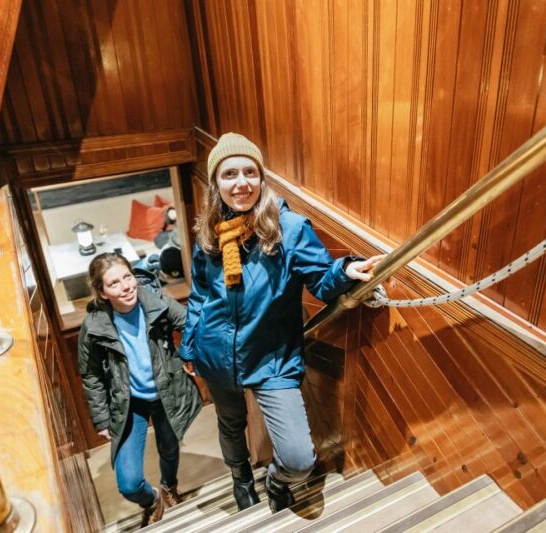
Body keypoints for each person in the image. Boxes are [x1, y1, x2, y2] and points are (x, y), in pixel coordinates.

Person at [180, 133, 382, 513]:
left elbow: (321, 280)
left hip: (272, 358)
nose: (241, 182)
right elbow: (201, 296)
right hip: (216, 355)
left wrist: (346, 271)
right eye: (229, 174)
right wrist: (189, 347)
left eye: (249, 172)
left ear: (261, 178)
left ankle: (276, 481)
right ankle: (241, 479)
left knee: (299, 457)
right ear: (215, 183)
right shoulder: (209, 232)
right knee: (231, 423)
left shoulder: (289, 228)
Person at [78, 253, 202, 526]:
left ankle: (169, 486)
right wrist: (101, 417)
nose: (125, 286)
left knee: (169, 448)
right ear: (102, 292)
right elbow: (91, 374)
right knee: (129, 483)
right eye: (114, 283)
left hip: (167, 391)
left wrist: (189, 355)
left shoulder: (155, 301)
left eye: (127, 277)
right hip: (129, 403)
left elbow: (193, 326)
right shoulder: (94, 325)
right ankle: (152, 499)